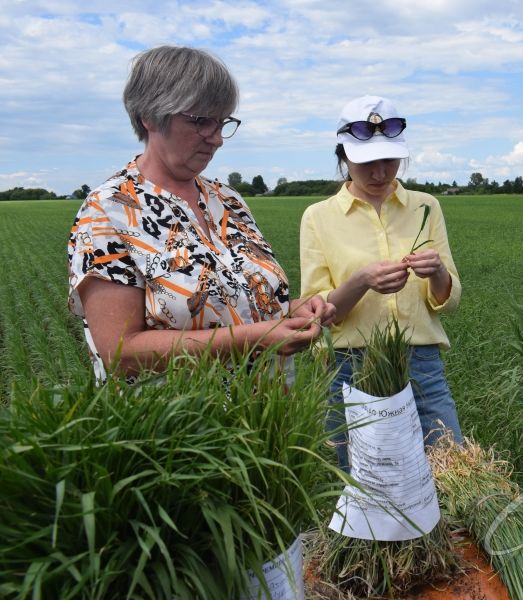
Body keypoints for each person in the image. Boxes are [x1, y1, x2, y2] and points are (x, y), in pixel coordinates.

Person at [68, 45, 335, 381]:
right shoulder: (108, 211)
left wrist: (294, 311)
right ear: (149, 116)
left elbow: (238, 304)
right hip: (184, 429)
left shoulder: (228, 200)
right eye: (201, 122)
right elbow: (120, 353)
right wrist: (253, 339)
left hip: (268, 423)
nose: (217, 138)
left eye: (222, 122)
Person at [300, 95, 463, 470]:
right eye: (366, 162)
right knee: (361, 477)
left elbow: (449, 300)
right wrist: (360, 281)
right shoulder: (318, 217)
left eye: (388, 160)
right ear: (344, 156)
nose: (379, 173)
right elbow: (316, 313)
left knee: (449, 464)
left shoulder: (426, 206)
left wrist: (437, 271)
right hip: (348, 365)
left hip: (421, 359)